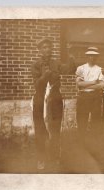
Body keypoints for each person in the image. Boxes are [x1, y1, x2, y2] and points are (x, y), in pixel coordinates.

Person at [31, 38, 63, 171]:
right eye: (44, 47)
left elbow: (66, 70)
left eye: (49, 47)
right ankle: (41, 159)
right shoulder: (36, 65)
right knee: (40, 130)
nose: (47, 50)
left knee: (55, 130)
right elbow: (37, 84)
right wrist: (44, 77)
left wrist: (72, 58)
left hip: (55, 99)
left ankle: (54, 157)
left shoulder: (56, 63)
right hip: (40, 100)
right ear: (40, 50)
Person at [75, 47, 104, 136]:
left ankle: (94, 142)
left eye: (94, 56)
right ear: (87, 56)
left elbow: (101, 85)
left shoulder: (100, 69)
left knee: (96, 120)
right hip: (83, 96)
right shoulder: (81, 68)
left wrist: (86, 84)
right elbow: (79, 84)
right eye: (90, 55)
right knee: (82, 119)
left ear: (97, 57)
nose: (92, 58)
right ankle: (82, 141)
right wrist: (93, 82)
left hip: (95, 96)